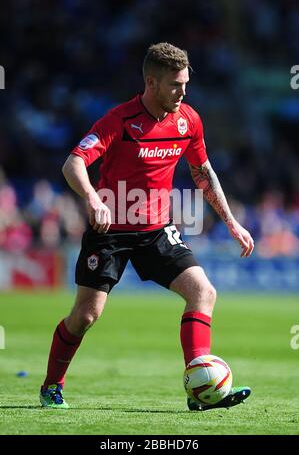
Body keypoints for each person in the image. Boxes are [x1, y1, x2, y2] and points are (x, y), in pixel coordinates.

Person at [40, 42, 254, 410]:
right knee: (86, 316)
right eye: (175, 85)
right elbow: (73, 163)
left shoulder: (189, 120)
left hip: (157, 230)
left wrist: (232, 223)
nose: (183, 91)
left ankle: (198, 387)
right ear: (151, 83)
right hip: (110, 233)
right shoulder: (118, 121)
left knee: (203, 292)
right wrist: (92, 198)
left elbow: (203, 173)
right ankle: (51, 386)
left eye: (186, 83)